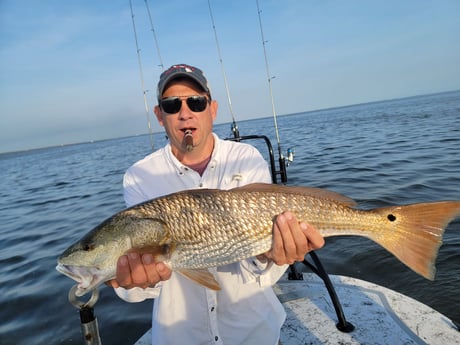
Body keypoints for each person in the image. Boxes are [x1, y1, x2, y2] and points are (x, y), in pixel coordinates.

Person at [108, 64, 325, 345]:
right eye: (172, 105)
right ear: (159, 115)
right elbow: (144, 287)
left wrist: (269, 254)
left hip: (254, 335)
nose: (185, 113)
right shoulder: (140, 177)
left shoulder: (246, 157)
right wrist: (136, 283)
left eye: (196, 102)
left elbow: (260, 269)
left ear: (213, 108)